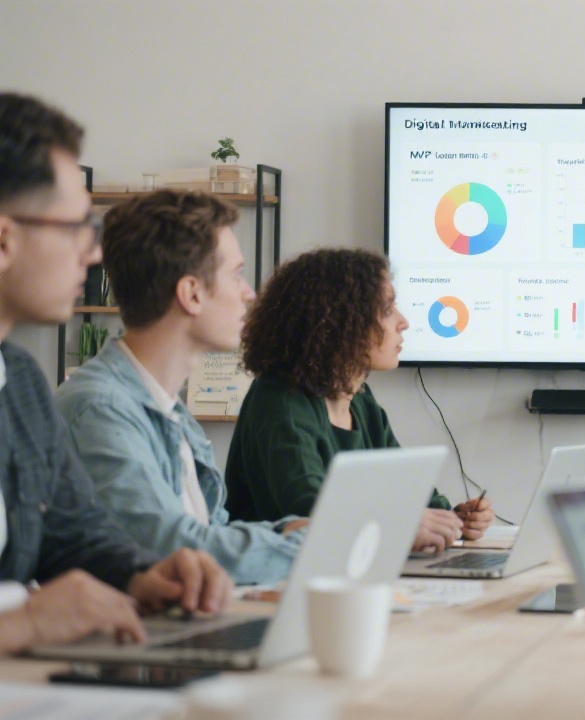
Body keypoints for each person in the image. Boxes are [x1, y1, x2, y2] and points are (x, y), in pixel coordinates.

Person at [0, 92, 231, 652]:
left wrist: (141, 573)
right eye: (76, 228)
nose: (94, 254)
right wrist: (21, 624)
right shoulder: (94, 400)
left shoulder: (20, 380)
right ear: (4, 239)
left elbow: (72, 532)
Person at [54, 190, 308, 585]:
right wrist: (314, 544)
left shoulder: (168, 408)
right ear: (191, 294)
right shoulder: (99, 408)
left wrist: (285, 531)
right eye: (237, 275)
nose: (249, 293)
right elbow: (175, 550)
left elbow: (209, 531)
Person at [223, 248, 493, 553]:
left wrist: (455, 519)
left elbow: (410, 491)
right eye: (387, 309)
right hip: (279, 573)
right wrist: (402, 525)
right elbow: (310, 511)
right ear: (338, 320)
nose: (403, 322)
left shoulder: (362, 402)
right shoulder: (280, 400)